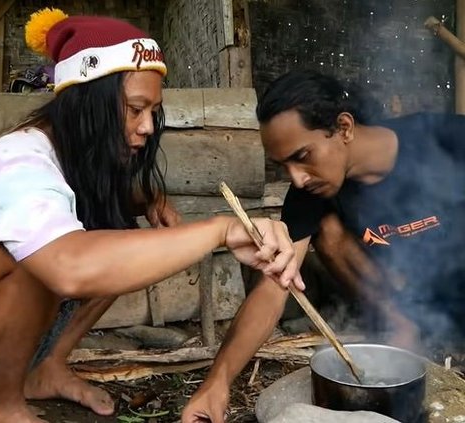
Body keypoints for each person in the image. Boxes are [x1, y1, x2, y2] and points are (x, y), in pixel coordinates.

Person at [0, 9, 305, 423]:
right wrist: (220, 230)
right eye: (135, 109)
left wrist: (148, 197)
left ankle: (46, 368)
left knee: (115, 230)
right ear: (88, 103)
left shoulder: (75, 158)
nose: (149, 127)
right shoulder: (17, 158)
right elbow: (69, 268)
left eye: (153, 110)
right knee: (41, 260)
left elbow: (108, 222)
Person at [182, 69, 465, 422]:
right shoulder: (308, 194)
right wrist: (216, 383)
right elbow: (274, 287)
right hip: (412, 300)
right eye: (283, 165)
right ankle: (402, 327)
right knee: (327, 229)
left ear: (344, 128)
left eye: (302, 156)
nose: (297, 177)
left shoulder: (450, 139)